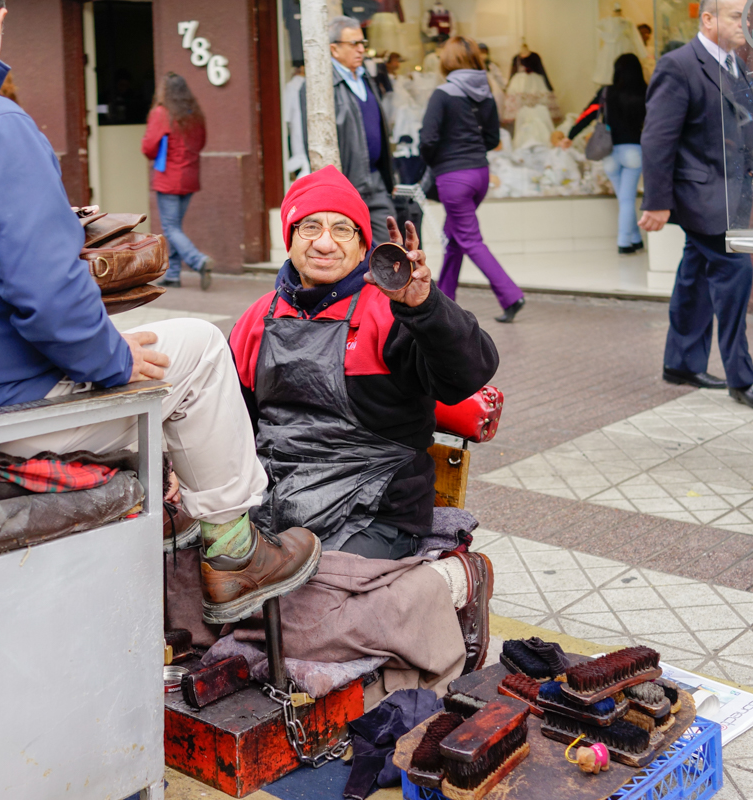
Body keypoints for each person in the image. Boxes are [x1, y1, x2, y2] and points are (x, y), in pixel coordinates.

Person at [0, 0, 321, 623]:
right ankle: (233, 553)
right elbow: (48, 304)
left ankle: (175, 512)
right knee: (200, 348)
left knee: (136, 345)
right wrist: (114, 359)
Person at [229, 165, 500, 670]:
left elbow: (468, 372)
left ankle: (450, 584)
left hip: (376, 508)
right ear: (289, 238)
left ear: (361, 245)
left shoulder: (389, 311)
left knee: (301, 612)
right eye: (310, 227)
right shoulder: (256, 320)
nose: (324, 243)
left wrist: (424, 305)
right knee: (199, 583)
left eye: (342, 229)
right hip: (277, 500)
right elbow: (232, 427)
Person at [639, 0, 753, 410]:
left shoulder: (736, 64)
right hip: (702, 197)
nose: (746, 26)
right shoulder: (679, 66)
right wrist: (656, 201)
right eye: (737, 17)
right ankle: (744, 378)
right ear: (708, 19)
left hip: (733, 193)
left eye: (747, 18)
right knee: (734, 271)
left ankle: (681, 363)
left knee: (695, 274)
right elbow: (657, 139)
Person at [419, 36, 526, 323]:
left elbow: (427, 139)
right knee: (454, 240)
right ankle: (444, 301)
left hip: (454, 178)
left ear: (448, 61)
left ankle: (511, 295)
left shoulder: (443, 94)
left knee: (469, 239)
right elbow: (493, 137)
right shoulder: (486, 92)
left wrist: (437, 161)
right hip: (479, 174)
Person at [300, 15, 398, 246]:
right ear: (334, 49)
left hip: (375, 180)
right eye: (354, 44)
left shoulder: (366, 79)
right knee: (352, 256)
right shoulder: (320, 84)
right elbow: (314, 140)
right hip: (346, 185)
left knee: (391, 250)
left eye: (363, 43)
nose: (361, 49)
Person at [564, 53, 648, 255]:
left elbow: (587, 114)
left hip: (609, 152)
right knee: (627, 200)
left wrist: (571, 135)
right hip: (634, 152)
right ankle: (624, 243)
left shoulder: (606, 93)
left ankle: (635, 239)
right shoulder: (646, 92)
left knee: (624, 199)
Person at [142, 72, 213, 290]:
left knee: (171, 227)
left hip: (169, 177)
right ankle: (173, 275)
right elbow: (201, 142)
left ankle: (198, 260)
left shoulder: (162, 113)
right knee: (174, 227)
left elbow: (148, 147)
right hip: (190, 176)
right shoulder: (193, 114)